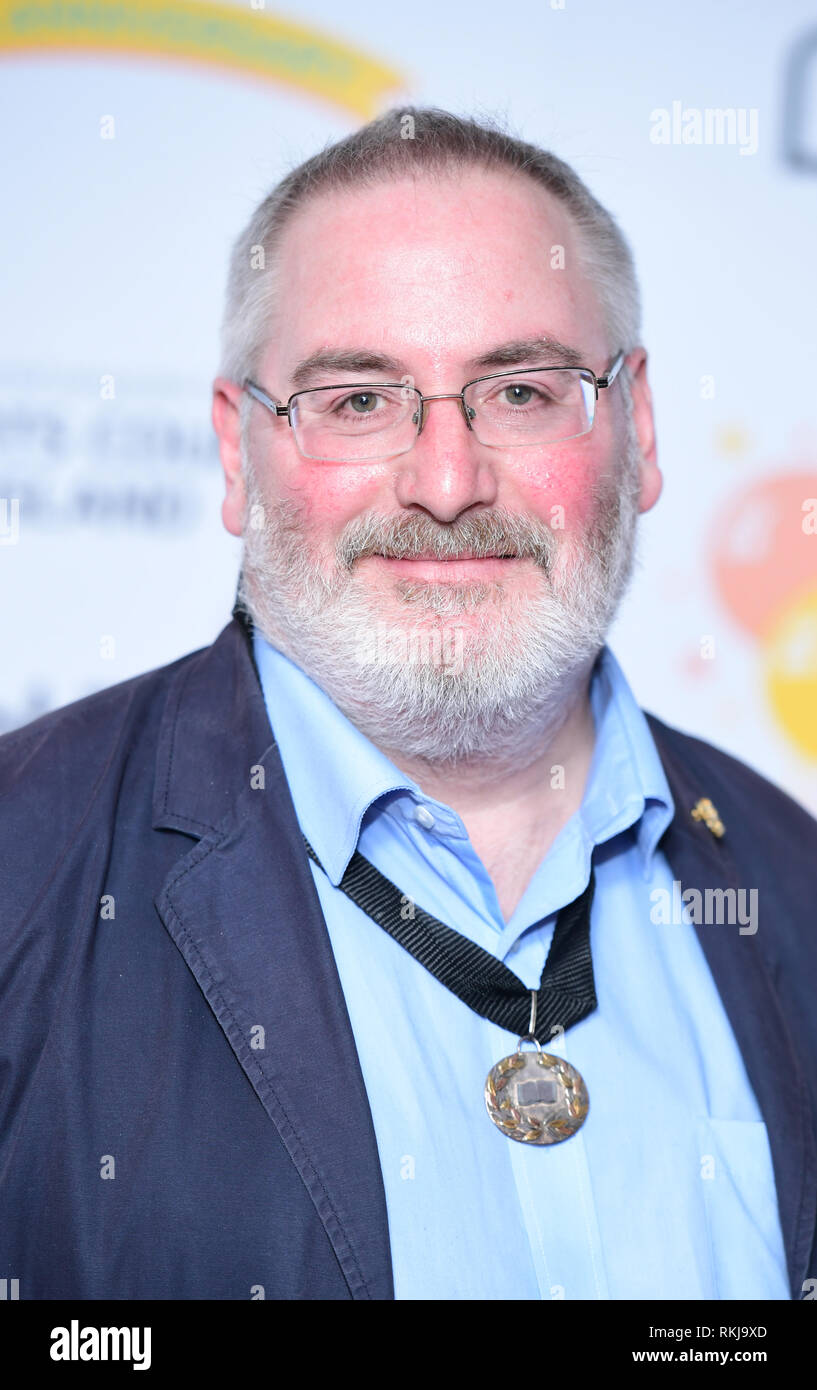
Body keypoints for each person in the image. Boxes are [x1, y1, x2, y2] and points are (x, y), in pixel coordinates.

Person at [1, 106, 815, 1302]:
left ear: (636, 428)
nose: (445, 482)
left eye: (523, 391)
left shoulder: (793, 876)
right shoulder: (22, 864)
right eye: (358, 401)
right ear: (238, 456)